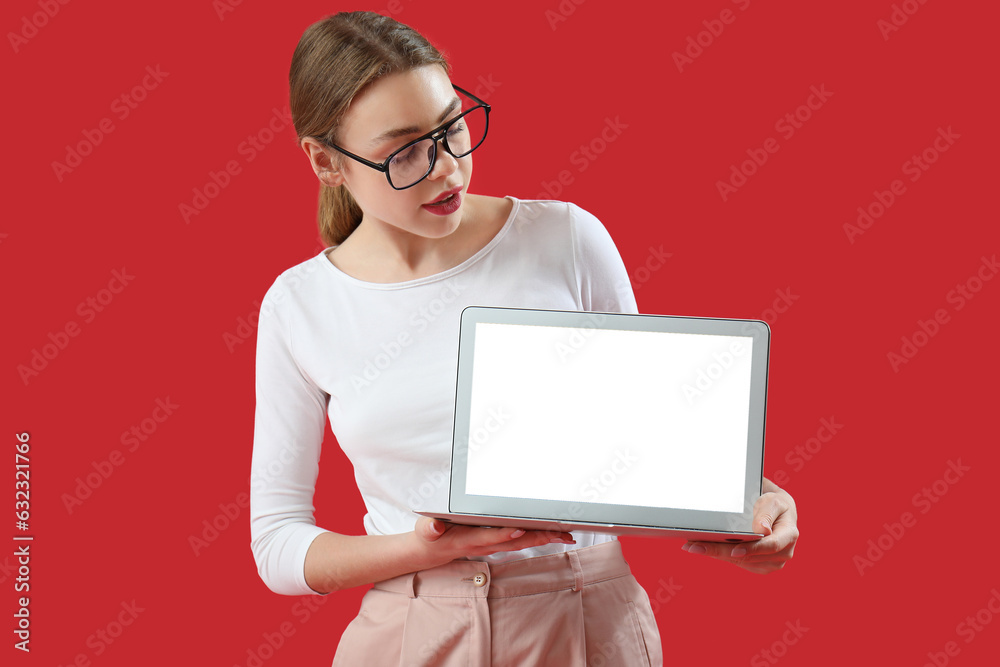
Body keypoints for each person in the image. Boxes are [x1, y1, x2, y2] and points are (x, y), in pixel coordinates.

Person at [250, 10, 799, 666]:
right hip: (408, 633)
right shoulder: (300, 305)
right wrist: (426, 548)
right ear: (324, 160)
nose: (448, 167)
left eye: (452, 128)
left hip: (584, 620)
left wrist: (757, 500)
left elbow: (649, 444)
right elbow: (276, 542)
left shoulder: (563, 239)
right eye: (405, 151)